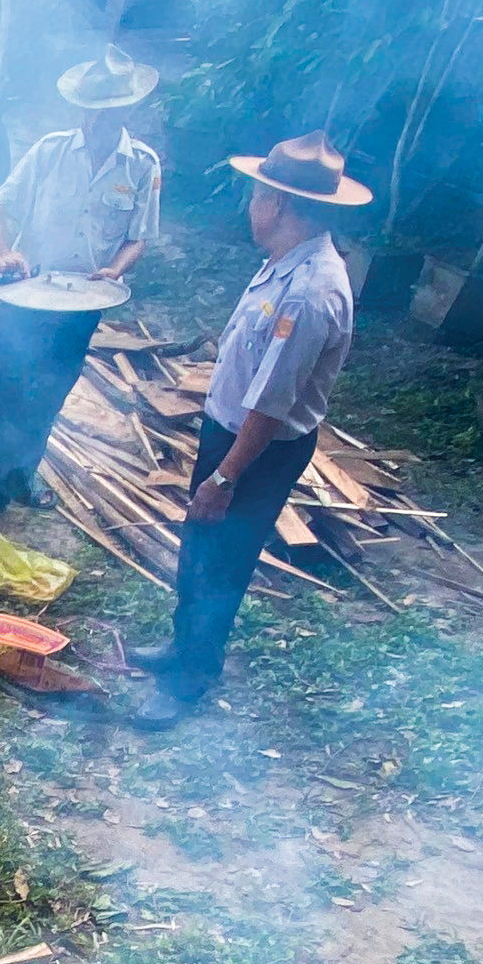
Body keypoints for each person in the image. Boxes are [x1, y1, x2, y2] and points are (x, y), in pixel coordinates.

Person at [128, 130, 371, 729]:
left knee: (222, 563)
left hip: (255, 452)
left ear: (279, 205)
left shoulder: (310, 291)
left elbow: (271, 403)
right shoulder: (284, 263)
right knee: (201, 552)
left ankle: (190, 679)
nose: (250, 204)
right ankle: (183, 651)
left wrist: (226, 476)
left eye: (257, 194)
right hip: (234, 439)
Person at [0, 44, 164, 527]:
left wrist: (116, 269)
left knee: (50, 392)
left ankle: (25, 474)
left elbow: (139, 237)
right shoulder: (50, 150)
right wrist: (2, 251)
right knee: (8, 391)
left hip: (83, 303)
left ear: (127, 108)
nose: (99, 119)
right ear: (81, 107)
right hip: (29, 292)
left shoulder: (141, 165)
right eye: (92, 110)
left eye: (111, 110)